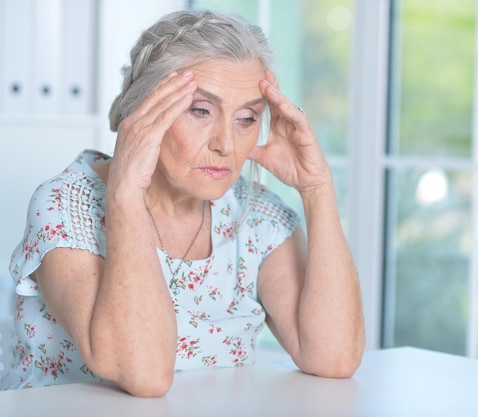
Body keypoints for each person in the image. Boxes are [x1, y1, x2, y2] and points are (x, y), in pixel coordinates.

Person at [0, 9, 365, 396]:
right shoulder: (65, 205)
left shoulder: (256, 215)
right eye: (201, 111)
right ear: (144, 110)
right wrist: (125, 192)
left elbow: (334, 357)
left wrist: (317, 189)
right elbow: (144, 374)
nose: (225, 144)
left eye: (246, 118)